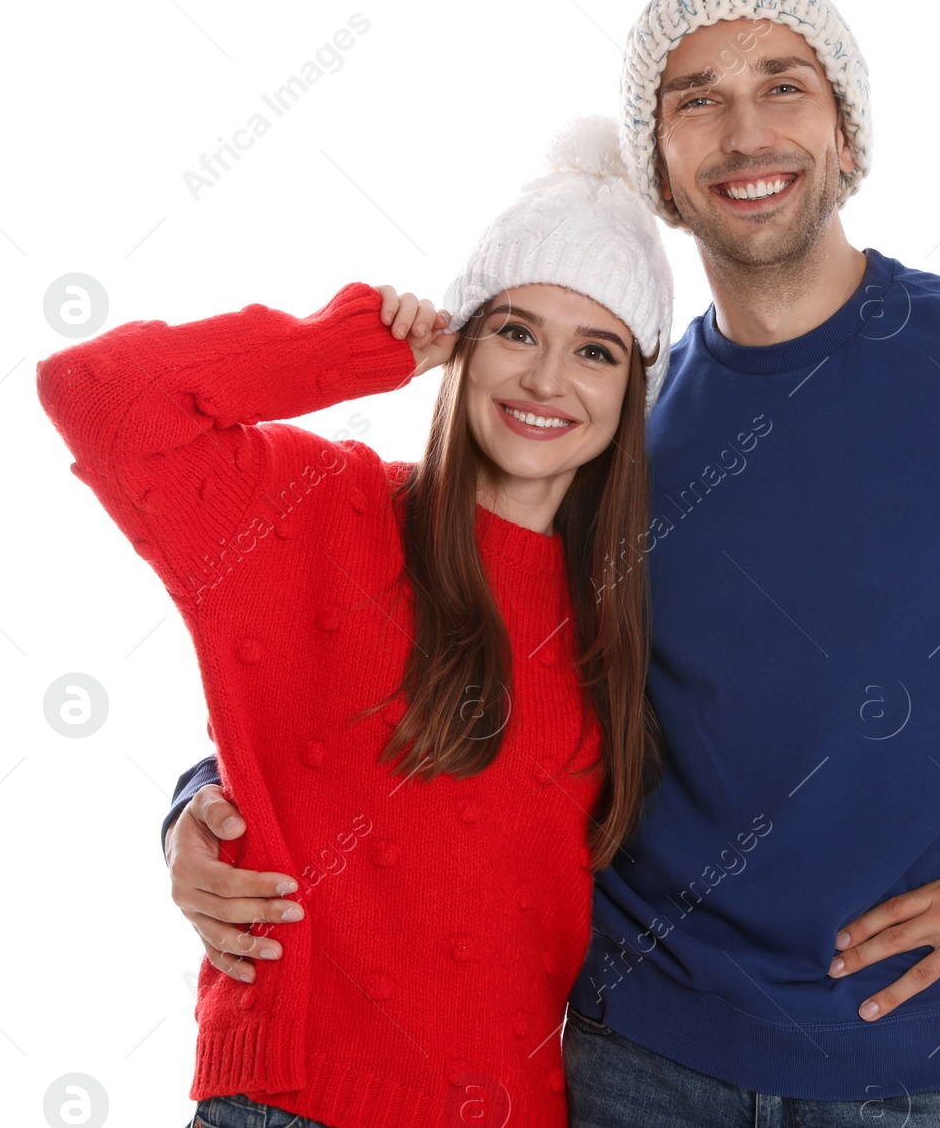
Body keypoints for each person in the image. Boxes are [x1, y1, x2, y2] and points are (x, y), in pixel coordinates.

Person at [160, 0, 940, 1126]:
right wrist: (203, 801)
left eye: (782, 84)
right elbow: (413, 635)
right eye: (697, 100)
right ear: (662, 171)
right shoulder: (609, 432)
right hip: (633, 1061)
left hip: (919, 1066)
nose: (744, 132)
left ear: (847, 138)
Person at [37, 115, 675, 1128]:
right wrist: (351, 349)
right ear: (462, 340)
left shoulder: (631, 612)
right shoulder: (313, 509)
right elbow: (101, 393)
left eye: (593, 349)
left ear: (632, 388)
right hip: (287, 1101)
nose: (547, 379)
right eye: (513, 329)